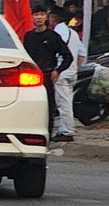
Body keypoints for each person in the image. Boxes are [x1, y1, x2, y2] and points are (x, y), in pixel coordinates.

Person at [20, 14, 74, 147]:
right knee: (28, 105)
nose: (39, 18)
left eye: (41, 15)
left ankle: (47, 136)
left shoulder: (52, 36)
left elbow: (68, 56)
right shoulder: (28, 36)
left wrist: (58, 70)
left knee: (48, 106)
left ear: (46, 18)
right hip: (30, 76)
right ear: (32, 18)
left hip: (47, 75)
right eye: (36, 15)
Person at [51, 4, 84, 141]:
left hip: (61, 73)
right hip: (71, 72)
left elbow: (56, 52)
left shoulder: (58, 34)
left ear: (53, 19)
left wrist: (59, 70)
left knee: (63, 103)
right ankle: (65, 129)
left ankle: (66, 131)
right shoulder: (73, 33)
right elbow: (82, 53)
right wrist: (74, 68)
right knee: (67, 101)